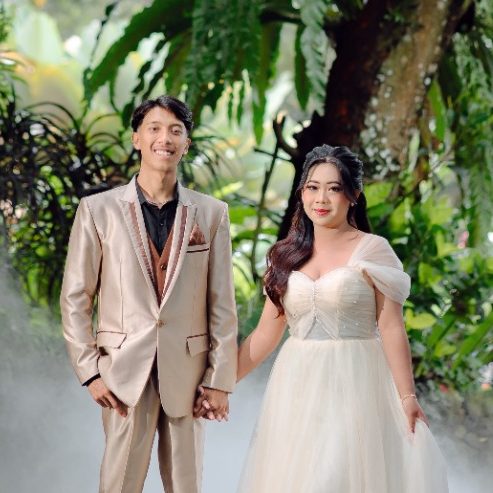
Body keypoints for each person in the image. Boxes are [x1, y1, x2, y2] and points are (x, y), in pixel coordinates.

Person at [236, 145, 448, 492]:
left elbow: (391, 327)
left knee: (333, 479)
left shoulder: (373, 250)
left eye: (333, 188)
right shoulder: (285, 256)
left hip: (355, 385)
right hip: (296, 389)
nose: (321, 198)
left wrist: (408, 397)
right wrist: (219, 383)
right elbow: (263, 337)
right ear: (302, 192)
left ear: (353, 196)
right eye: (312, 187)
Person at [60, 95, 238, 493]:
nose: (165, 138)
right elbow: (75, 298)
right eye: (154, 128)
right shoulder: (98, 210)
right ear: (136, 139)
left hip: (189, 376)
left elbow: (222, 305)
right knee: (119, 484)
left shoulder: (212, 213)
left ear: (187, 143)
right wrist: (90, 372)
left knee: (186, 485)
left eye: (176, 130)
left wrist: (219, 379)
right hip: (121, 372)